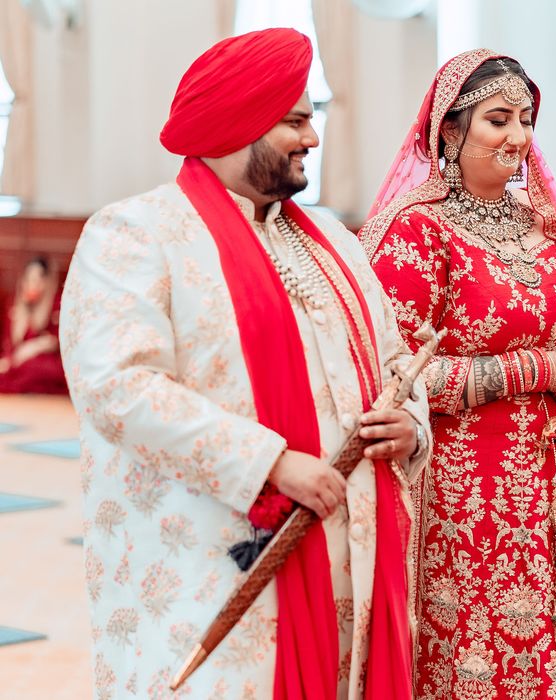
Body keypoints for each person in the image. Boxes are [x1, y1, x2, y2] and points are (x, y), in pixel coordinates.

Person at [59, 28, 431, 699]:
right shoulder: (138, 234)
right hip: (221, 557)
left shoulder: (335, 245)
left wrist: (411, 426)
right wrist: (269, 463)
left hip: (351, 554)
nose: (312, 138)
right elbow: (118, 388)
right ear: (240, 121)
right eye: (294, 120)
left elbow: (399, 363)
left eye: (311, 117)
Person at [359, 50, 556, 699]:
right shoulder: (416, 234)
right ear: (451, 130)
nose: (518, 137)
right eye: (498, 120)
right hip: (472, 501)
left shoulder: (550, 226)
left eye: (525, 119)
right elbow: (395, 378)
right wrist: (535, 369)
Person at [0, 256, 68, 394]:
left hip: (43, 362)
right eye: (29, 280)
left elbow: (55, 340)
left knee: (35, 369)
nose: (33, 285)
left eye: (37, 280)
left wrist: (32, 348)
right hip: (17, 361)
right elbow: (9, 344)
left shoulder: (56, 304)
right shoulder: (13, 303)